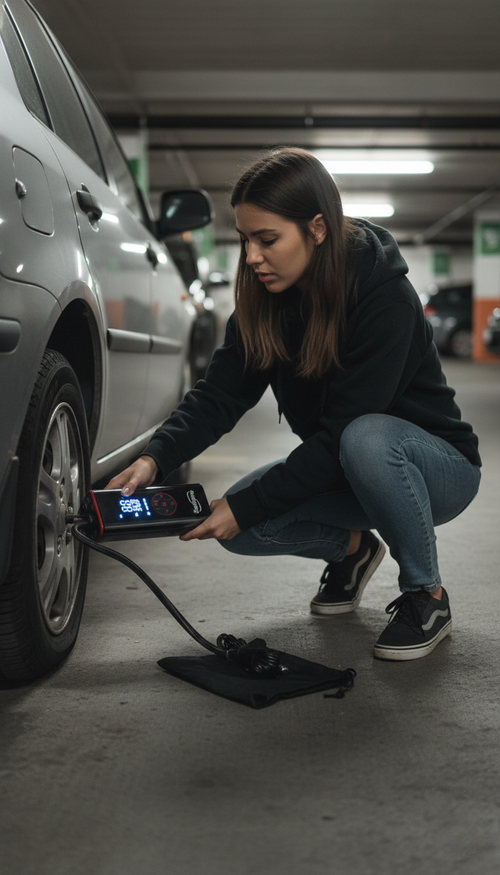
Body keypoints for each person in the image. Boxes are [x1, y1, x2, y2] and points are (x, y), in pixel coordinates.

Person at [107, 147, 481, 661]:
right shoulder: (264, 302)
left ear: (318, 229)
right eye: (245, 240)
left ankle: (426, 595)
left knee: (364, 437)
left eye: (267, 239)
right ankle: (353, 550)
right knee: (243, 527)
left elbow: (342, 434)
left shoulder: (385, 299)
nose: (252, 256)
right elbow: (219, 395)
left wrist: (248, 504)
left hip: (435, 470)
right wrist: (155, 458)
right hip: (349, 468)